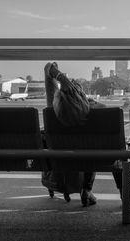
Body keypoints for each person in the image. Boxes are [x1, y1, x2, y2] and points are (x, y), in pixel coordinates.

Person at [44, 62, 122, 206]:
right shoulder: (97, 112)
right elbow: (98, 106)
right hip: (97, 158)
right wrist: (87, 100)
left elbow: (47, 67)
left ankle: (86, 190)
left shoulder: (54, 113)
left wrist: (59, 77)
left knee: (87, 147)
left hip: (65, 159)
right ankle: (122, 194)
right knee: (114, 152)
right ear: (81, 97)